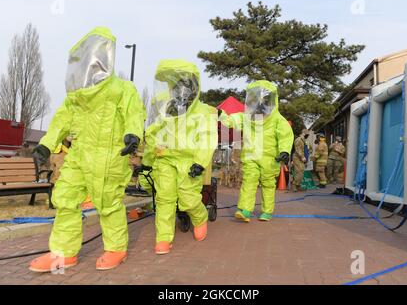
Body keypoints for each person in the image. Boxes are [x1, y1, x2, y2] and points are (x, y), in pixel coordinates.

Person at [28, 27, 145, 272]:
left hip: (109, 156)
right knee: (65, 198)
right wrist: (46, 145)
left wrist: (133, 135)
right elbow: (61, 121)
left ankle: (116, 248)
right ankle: (62, 253)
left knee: (108, 202)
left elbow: (133, 113)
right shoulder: (76, 96)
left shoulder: (123, 89)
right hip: (79, 154)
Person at [137, 59, 218, 255]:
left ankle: (200, 217)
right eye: (176, 85)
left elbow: (208, 138)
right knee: (164, 199)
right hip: (165, 159)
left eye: (184, 84)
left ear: (193, 86)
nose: (180, 89)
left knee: (188, 199)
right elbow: (153, 136)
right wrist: (147, 163)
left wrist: (199, 162)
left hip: (189, 162)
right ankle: (163, 238)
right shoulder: (167, 110)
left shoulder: (202, 112)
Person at [219, 80, 294, 222]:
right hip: (251, 155)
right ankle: (245, 209)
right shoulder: (247, 117)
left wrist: (284, 151)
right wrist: (220, 114)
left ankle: (267, 211)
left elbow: (285, 135)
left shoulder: (277, 119)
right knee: (249, 180)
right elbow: (232, 120)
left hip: (270, 158)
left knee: (268, 184)